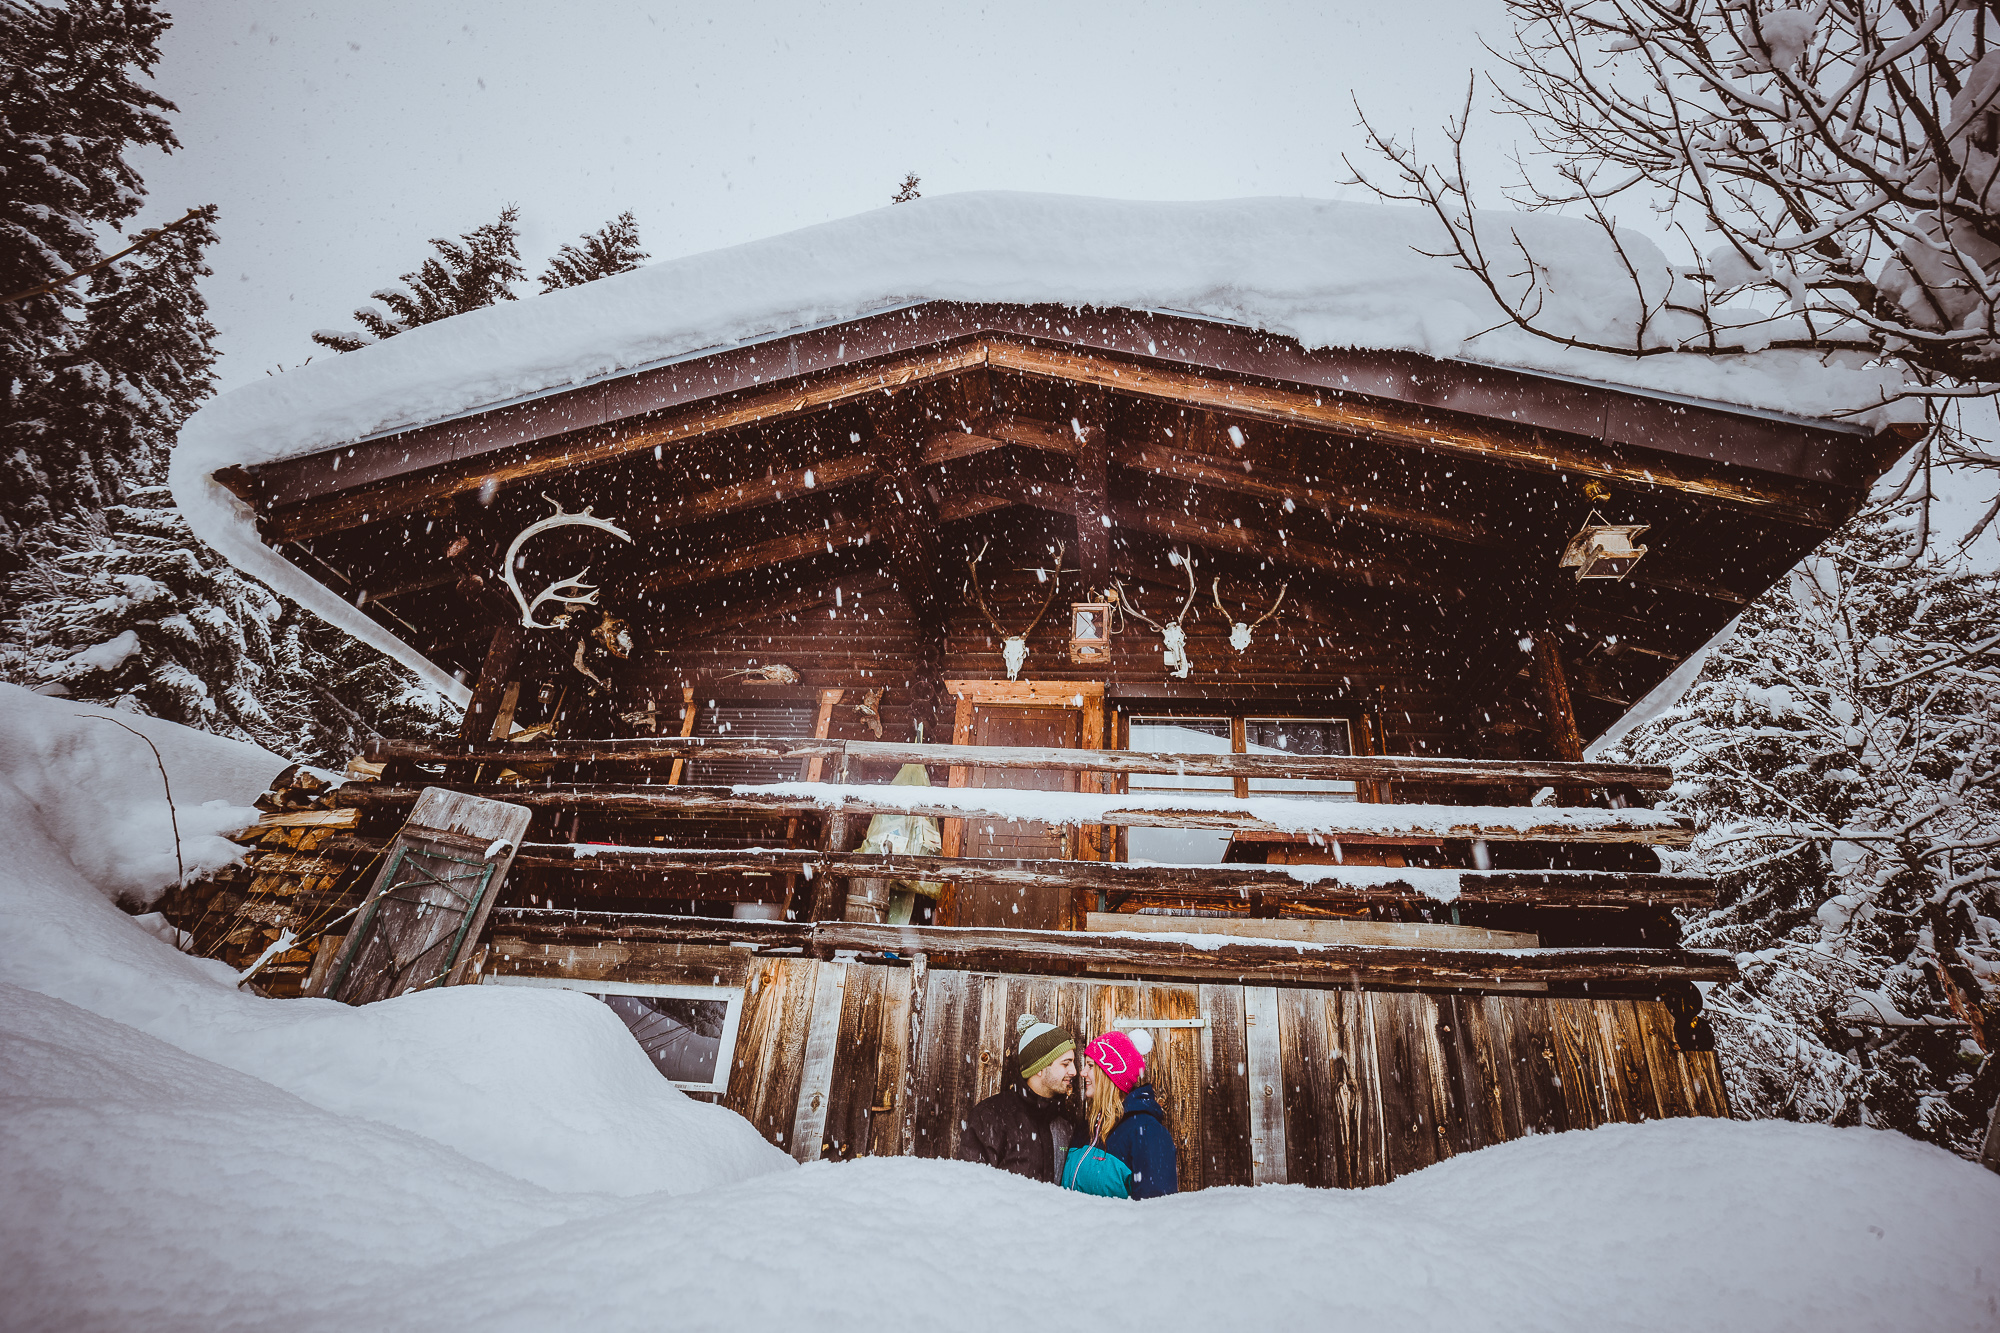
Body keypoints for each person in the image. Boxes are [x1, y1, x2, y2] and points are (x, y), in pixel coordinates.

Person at [958, 1014, 1080, 1183]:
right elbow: (971, 1185)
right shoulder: (991, 1116)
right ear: (1040, 1068)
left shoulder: (1064, 1120)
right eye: (1066, 1063)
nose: (1074, 1071)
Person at [1062, 1027, 1179, 1199]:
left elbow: (1156, 1213)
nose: (1082, 1072)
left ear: (1111, 1075)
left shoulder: (1147, 1132)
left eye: (1091, 1066)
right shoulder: (1087, 1127)